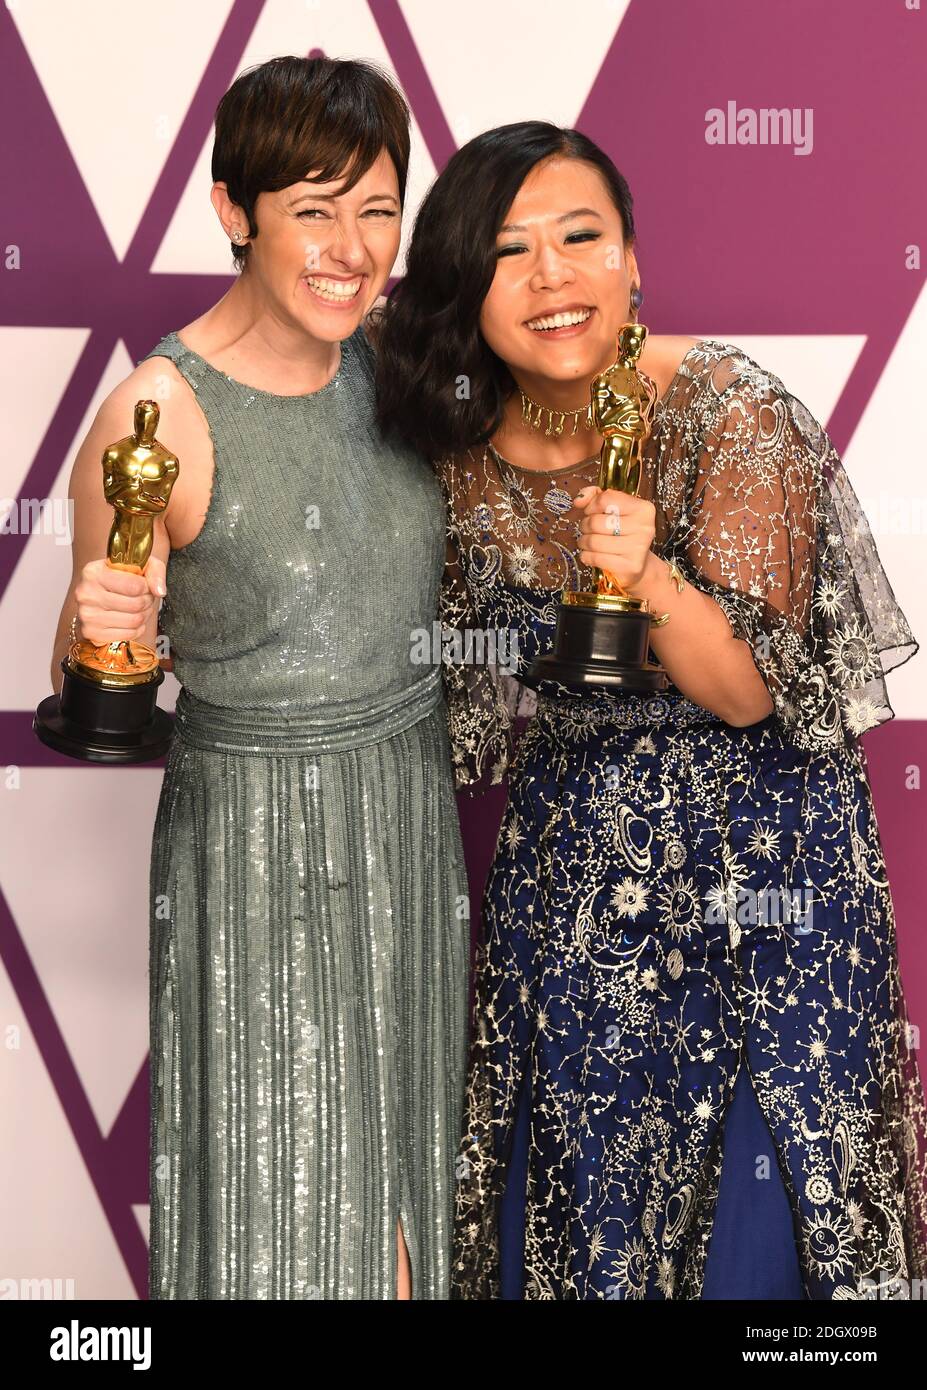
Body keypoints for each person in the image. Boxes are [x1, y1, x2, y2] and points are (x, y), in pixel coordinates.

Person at [375, 121, 927, 1299]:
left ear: (634, 260)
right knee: (580, 1216)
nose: (551, 275)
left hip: (762, 880)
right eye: (509, 252)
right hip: (574, 887)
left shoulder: (730, 408)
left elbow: (744, 690)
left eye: (582, 237)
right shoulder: (458, 446)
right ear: (467, 292)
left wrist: (657, 575)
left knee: (760, 1229)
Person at [50, 55, 469, 1300]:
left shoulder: (388, 361)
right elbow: (94, 680)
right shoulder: (158, 417)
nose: (354, 247)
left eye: (378, 208)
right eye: (313, 208)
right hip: (257, 858)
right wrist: (95, 631)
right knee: (282, 1217)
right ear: (233, 211)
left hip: (406, 814)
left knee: (409, 1228)